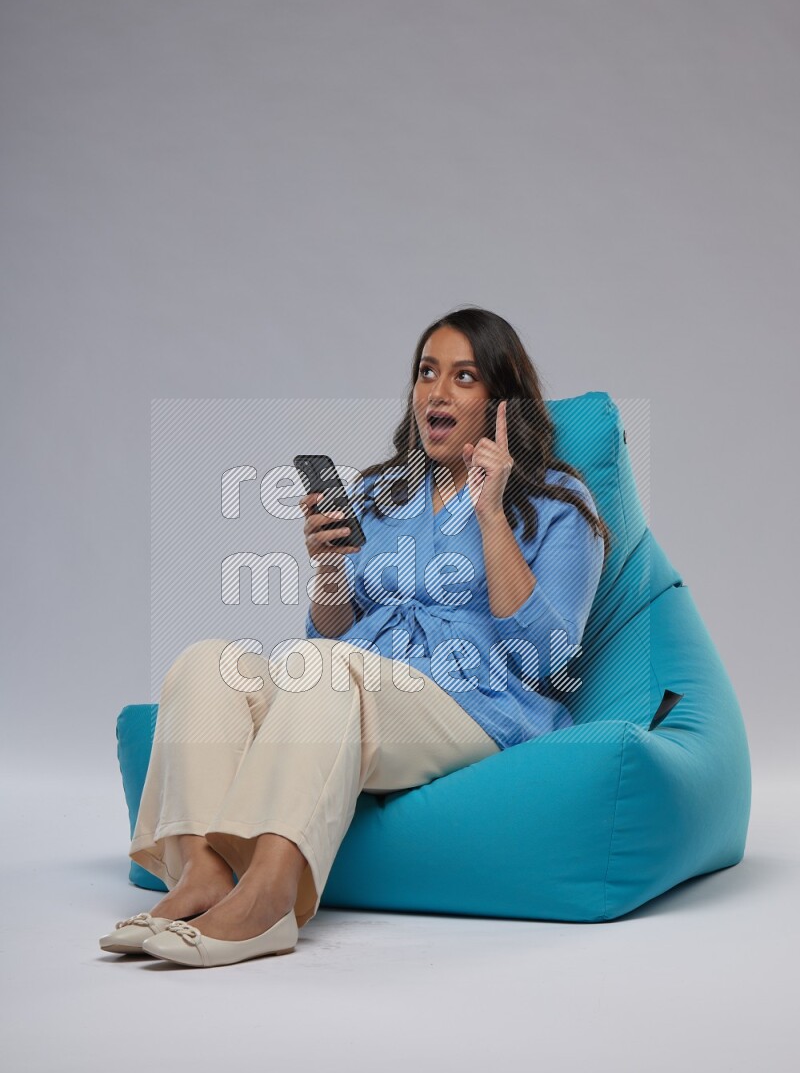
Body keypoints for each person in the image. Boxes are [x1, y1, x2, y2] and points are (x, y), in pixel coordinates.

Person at [99, 306, 610, 968]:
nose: (437, 392)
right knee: (209, 663)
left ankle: (268, 901)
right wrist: (331, 568)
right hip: (356, 691)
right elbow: (331, 628)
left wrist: (489, 512)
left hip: (475, 703)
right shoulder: (379, 492)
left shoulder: (558, 504)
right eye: (427, 372)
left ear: (501, 400)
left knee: (328, 669)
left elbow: (545, 654)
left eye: (463, 377)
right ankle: (202, 875)